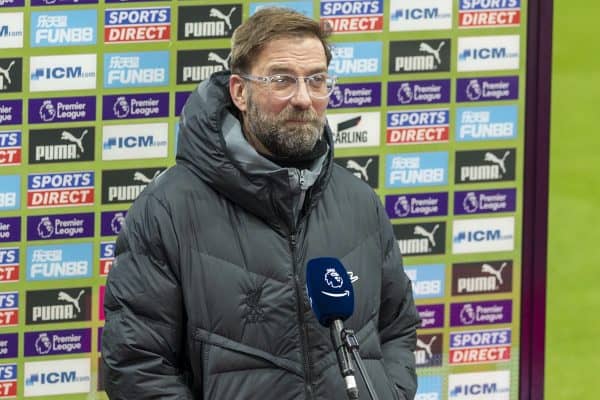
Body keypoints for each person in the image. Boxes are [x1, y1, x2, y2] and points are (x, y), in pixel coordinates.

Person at [102, 7, 420, 400]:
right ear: (240, 92)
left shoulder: (360, 204)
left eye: (316, 80)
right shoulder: (166, 211)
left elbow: (397, 331)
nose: (304, 98)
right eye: (282, 79)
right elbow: (137, 367)